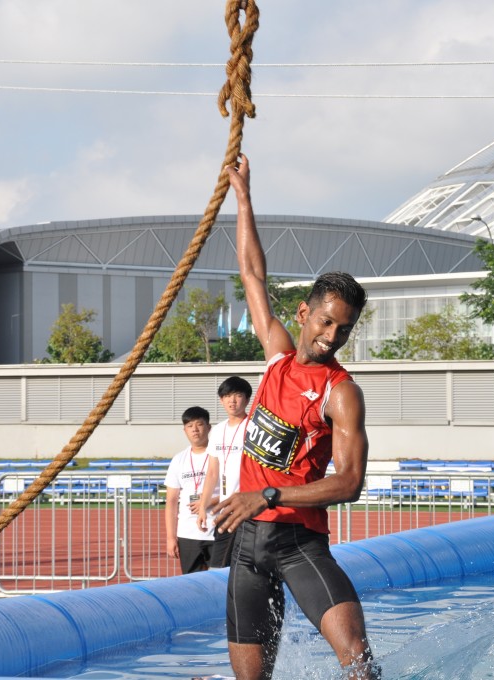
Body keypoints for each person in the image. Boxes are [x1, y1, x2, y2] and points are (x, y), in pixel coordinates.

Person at [209, 154, 378, 680]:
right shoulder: (277, 357)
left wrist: (268, 495)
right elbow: (252, 274)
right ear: (304, 313)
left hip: (299, 543)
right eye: (326, 322)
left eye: (344, 329)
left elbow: (350, 482)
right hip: (247, 548)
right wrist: (243, 196)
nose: (332, 336)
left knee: (359, 663)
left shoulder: (341, 393)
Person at [198, 375, 253, 568]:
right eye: (227, 396)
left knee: (245, 563)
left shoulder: (253, 427)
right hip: (226, 509)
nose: (232, 401)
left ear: (247, 399)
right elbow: (212, 472)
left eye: (237, 395)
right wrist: (203, 507)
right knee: (220, 564)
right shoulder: (217, 430)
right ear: (221, 400)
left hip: (249, 505)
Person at [164, 406, 218, 574]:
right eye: (189, 426)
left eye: (199, 424)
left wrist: (208, 501)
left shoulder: (220, 456)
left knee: (221, 582)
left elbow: (234, 490)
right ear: (185, 430)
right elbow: (171, 501)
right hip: (188, 534)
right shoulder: (178, 459)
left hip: (218, 530)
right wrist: (171, 537)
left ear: (209, 427)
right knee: (192, 583)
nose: (195, 429)